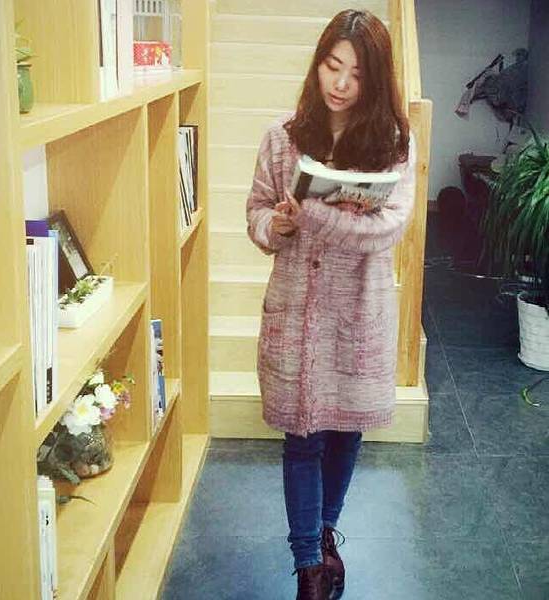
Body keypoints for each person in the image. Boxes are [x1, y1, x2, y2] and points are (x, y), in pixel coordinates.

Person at [245, 9, 417, 600]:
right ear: (317, 64)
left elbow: (389, 228)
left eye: (356, 74)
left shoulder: (394, 143)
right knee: (302, 436)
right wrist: (276, 226)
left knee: (345, 432)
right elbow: (256, 212)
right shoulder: (281, 136)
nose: (340, 83)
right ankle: (308, 567)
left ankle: (323, 534)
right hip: (296, 309)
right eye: (331, 66)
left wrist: (315, 214)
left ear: (376, 80)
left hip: (358, 313)